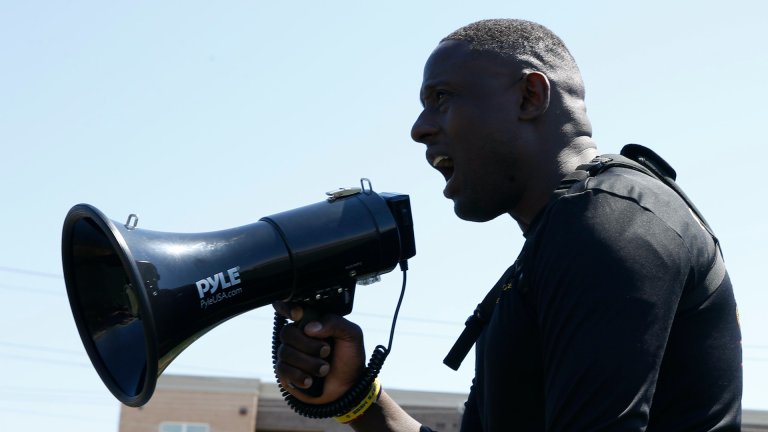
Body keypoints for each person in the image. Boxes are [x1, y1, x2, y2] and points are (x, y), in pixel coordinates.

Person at [273, 18, 743, 431]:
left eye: (441, 98)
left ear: (530, 96)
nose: (419, 128)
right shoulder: (564, 237)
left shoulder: (611, 225)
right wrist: (356, 398)